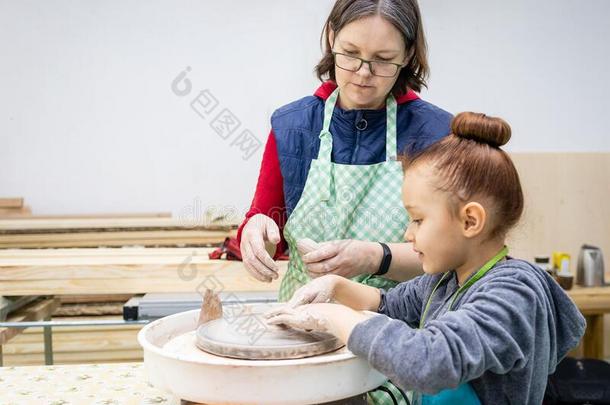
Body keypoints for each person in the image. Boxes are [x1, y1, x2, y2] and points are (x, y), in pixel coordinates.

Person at [266, 112, 586, 405]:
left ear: (470, 221)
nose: (407, 234)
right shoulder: (446, 280)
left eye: (418, 219)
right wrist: (334, 286)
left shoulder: (513, 294)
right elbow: (388, 304)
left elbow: (427, 362)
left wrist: (330, 317)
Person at [238, 0, 452, 304]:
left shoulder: (436, 133)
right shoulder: (293, 126)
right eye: (350, 54)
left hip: (400, 332)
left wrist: (374, 257)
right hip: (306, 325)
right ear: (330, 36)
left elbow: (450, 255)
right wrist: (255, 234)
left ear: (407, 55)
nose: (363, 73)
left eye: (383, 59)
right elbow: (266, 220)